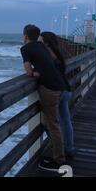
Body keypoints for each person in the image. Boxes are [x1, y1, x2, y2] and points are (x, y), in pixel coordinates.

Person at [20, 25, 66, 171]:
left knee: (53, 125)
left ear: (25, 36)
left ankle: (59, 161)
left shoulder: (25, 49)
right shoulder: (42, 45)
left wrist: (35, 72)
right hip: (59, 85)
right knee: (51, 123)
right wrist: (41, 69)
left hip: (49, 89)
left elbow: (28, 72)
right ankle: (58, 154)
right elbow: (54, 60)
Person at [40, 32, 75, 160]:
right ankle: (69, 149)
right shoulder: (58, 53)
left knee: (49, 123)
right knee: (65, 121)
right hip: (66, 89)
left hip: (57, 91)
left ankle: (59, 150)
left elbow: (47, 71)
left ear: (46, 42)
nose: (39, 43)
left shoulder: (48, 53)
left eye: (40, 40)